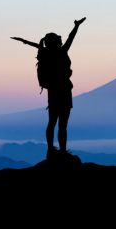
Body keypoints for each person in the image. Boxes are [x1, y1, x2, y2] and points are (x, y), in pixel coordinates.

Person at [11, 17, 86, 158]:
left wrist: (24, 41)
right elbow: (71, 38)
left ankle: (51, 149)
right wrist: (76, 26)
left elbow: (38, 46)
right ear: (56, 42)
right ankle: (62, 151)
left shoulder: (45, 54)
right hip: (64, 90)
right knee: (62, 124)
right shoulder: (62, 51)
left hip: (53, 92)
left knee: (52, 121)